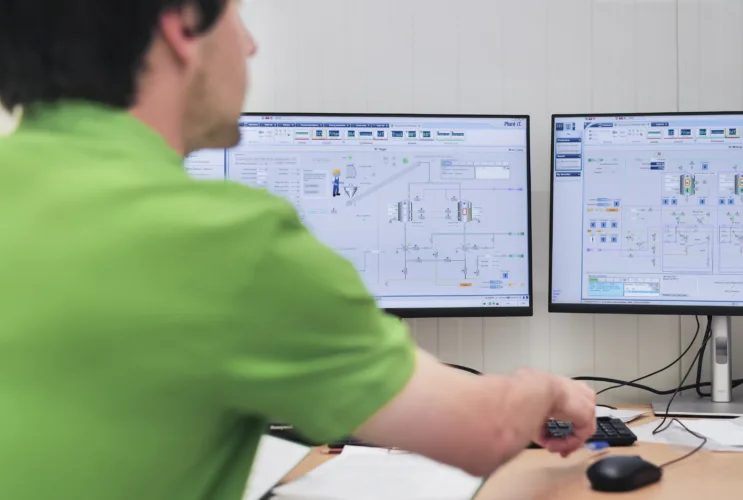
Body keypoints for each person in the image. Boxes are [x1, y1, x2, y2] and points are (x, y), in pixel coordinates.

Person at [0, 1, 596, 499]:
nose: (252, 46)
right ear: (183, 26)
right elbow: (486, 430)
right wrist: (550, 391)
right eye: (237, 16)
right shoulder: (226, 241)